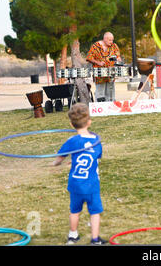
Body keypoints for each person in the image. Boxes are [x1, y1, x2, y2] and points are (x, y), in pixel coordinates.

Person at [53, 103, 107, 245]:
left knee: (74, 210)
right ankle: (95, 239)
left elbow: (59, 160)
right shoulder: (96, 141)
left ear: (71, 124)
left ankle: (72, 235)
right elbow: (96, 157)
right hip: (91, 184)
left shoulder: (71, 141)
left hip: (76, 184)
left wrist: (54, 163)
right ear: (89, 122)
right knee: (94, 211)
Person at [86, 32, 122, 102]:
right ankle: (100, 108)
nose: (111, 42)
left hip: (111, 73)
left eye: (112, 40)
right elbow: (88, 58)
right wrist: (98, 62)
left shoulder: (114, 46)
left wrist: (118, 59)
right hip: (99, 74)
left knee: (110, 92)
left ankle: (111, 107)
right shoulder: (96, 46)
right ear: (105, 39)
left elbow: (118, 57)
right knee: (100, 92)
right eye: (110, 40)